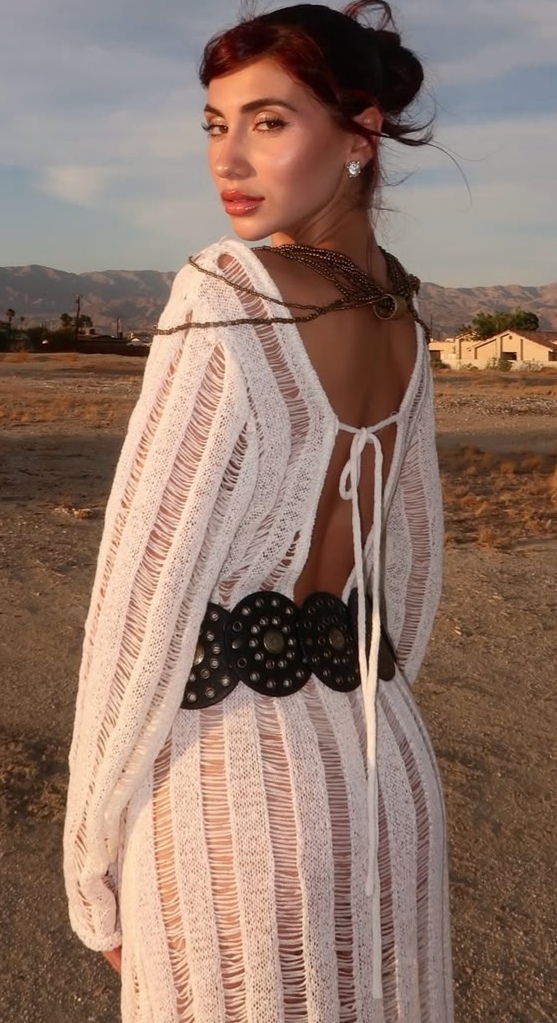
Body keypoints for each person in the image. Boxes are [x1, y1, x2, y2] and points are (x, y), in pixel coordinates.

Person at [63, 2, 453, 1020]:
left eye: (268, 122)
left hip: (232, 795)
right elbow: (408, 577)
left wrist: (88, 863)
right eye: (214, 124)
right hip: (387, 771)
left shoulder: (225, 288)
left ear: (359, 134)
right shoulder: (403, 320)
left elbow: (142, 601)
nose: (226, 158)